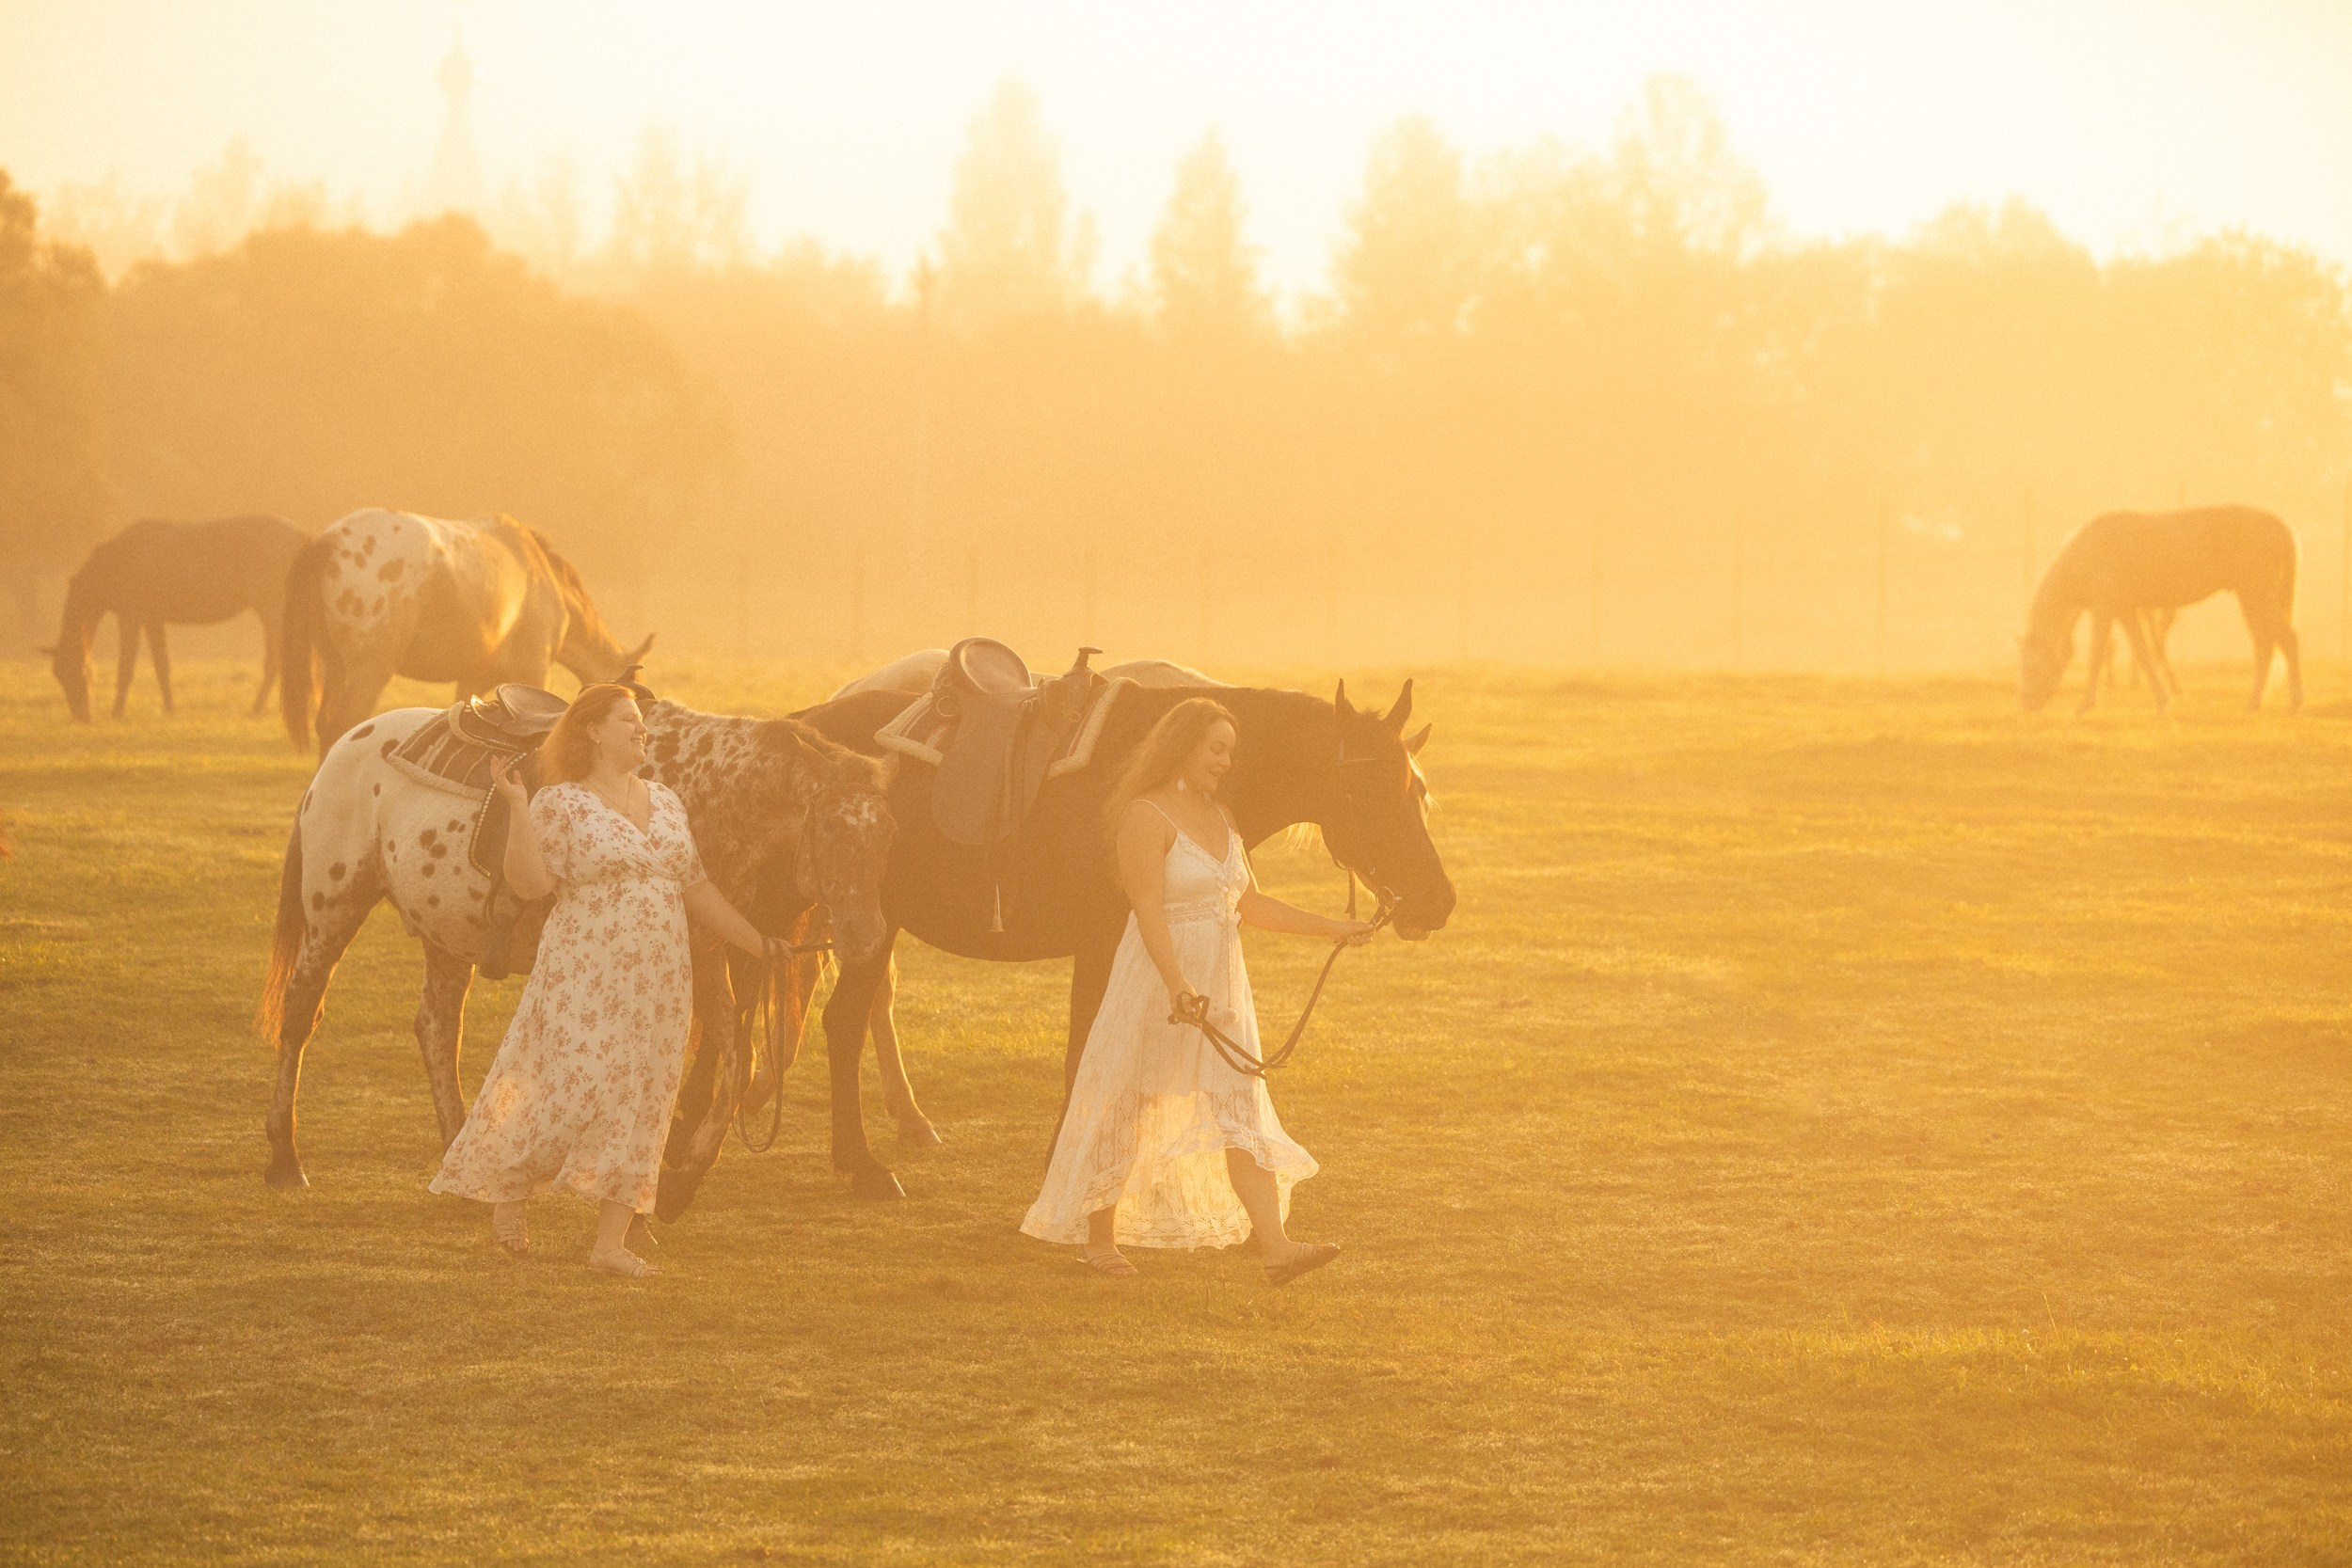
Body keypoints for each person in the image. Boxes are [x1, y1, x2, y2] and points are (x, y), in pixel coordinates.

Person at [429, 683, 781, 1276]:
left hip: (660, 983)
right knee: (567, 1085)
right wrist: (517, 807)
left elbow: (695, 886)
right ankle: (509, 1195)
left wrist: (759, 943)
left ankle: (609, 1246)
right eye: (630, 722)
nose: (642, 731)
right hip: (585, 970)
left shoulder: (666, 801)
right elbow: (532, 885)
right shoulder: (560, 804)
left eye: (642, 723)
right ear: (592, 730)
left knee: (644, 1099)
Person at [1022, 698, 1377, 1283]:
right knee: (1131, 1102)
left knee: (1241, 1106)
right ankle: (1100, 1239)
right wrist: (1176, 985)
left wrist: (1335, 928)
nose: (1224, 761)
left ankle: (1277, 1249)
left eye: (1229, 751)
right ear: (1181, 745)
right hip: (1159, 980)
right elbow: (1147, 908)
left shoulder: (1224, 818)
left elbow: (1251, 904)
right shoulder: (1145, 815)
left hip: (1221, 981)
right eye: (1215, 748)